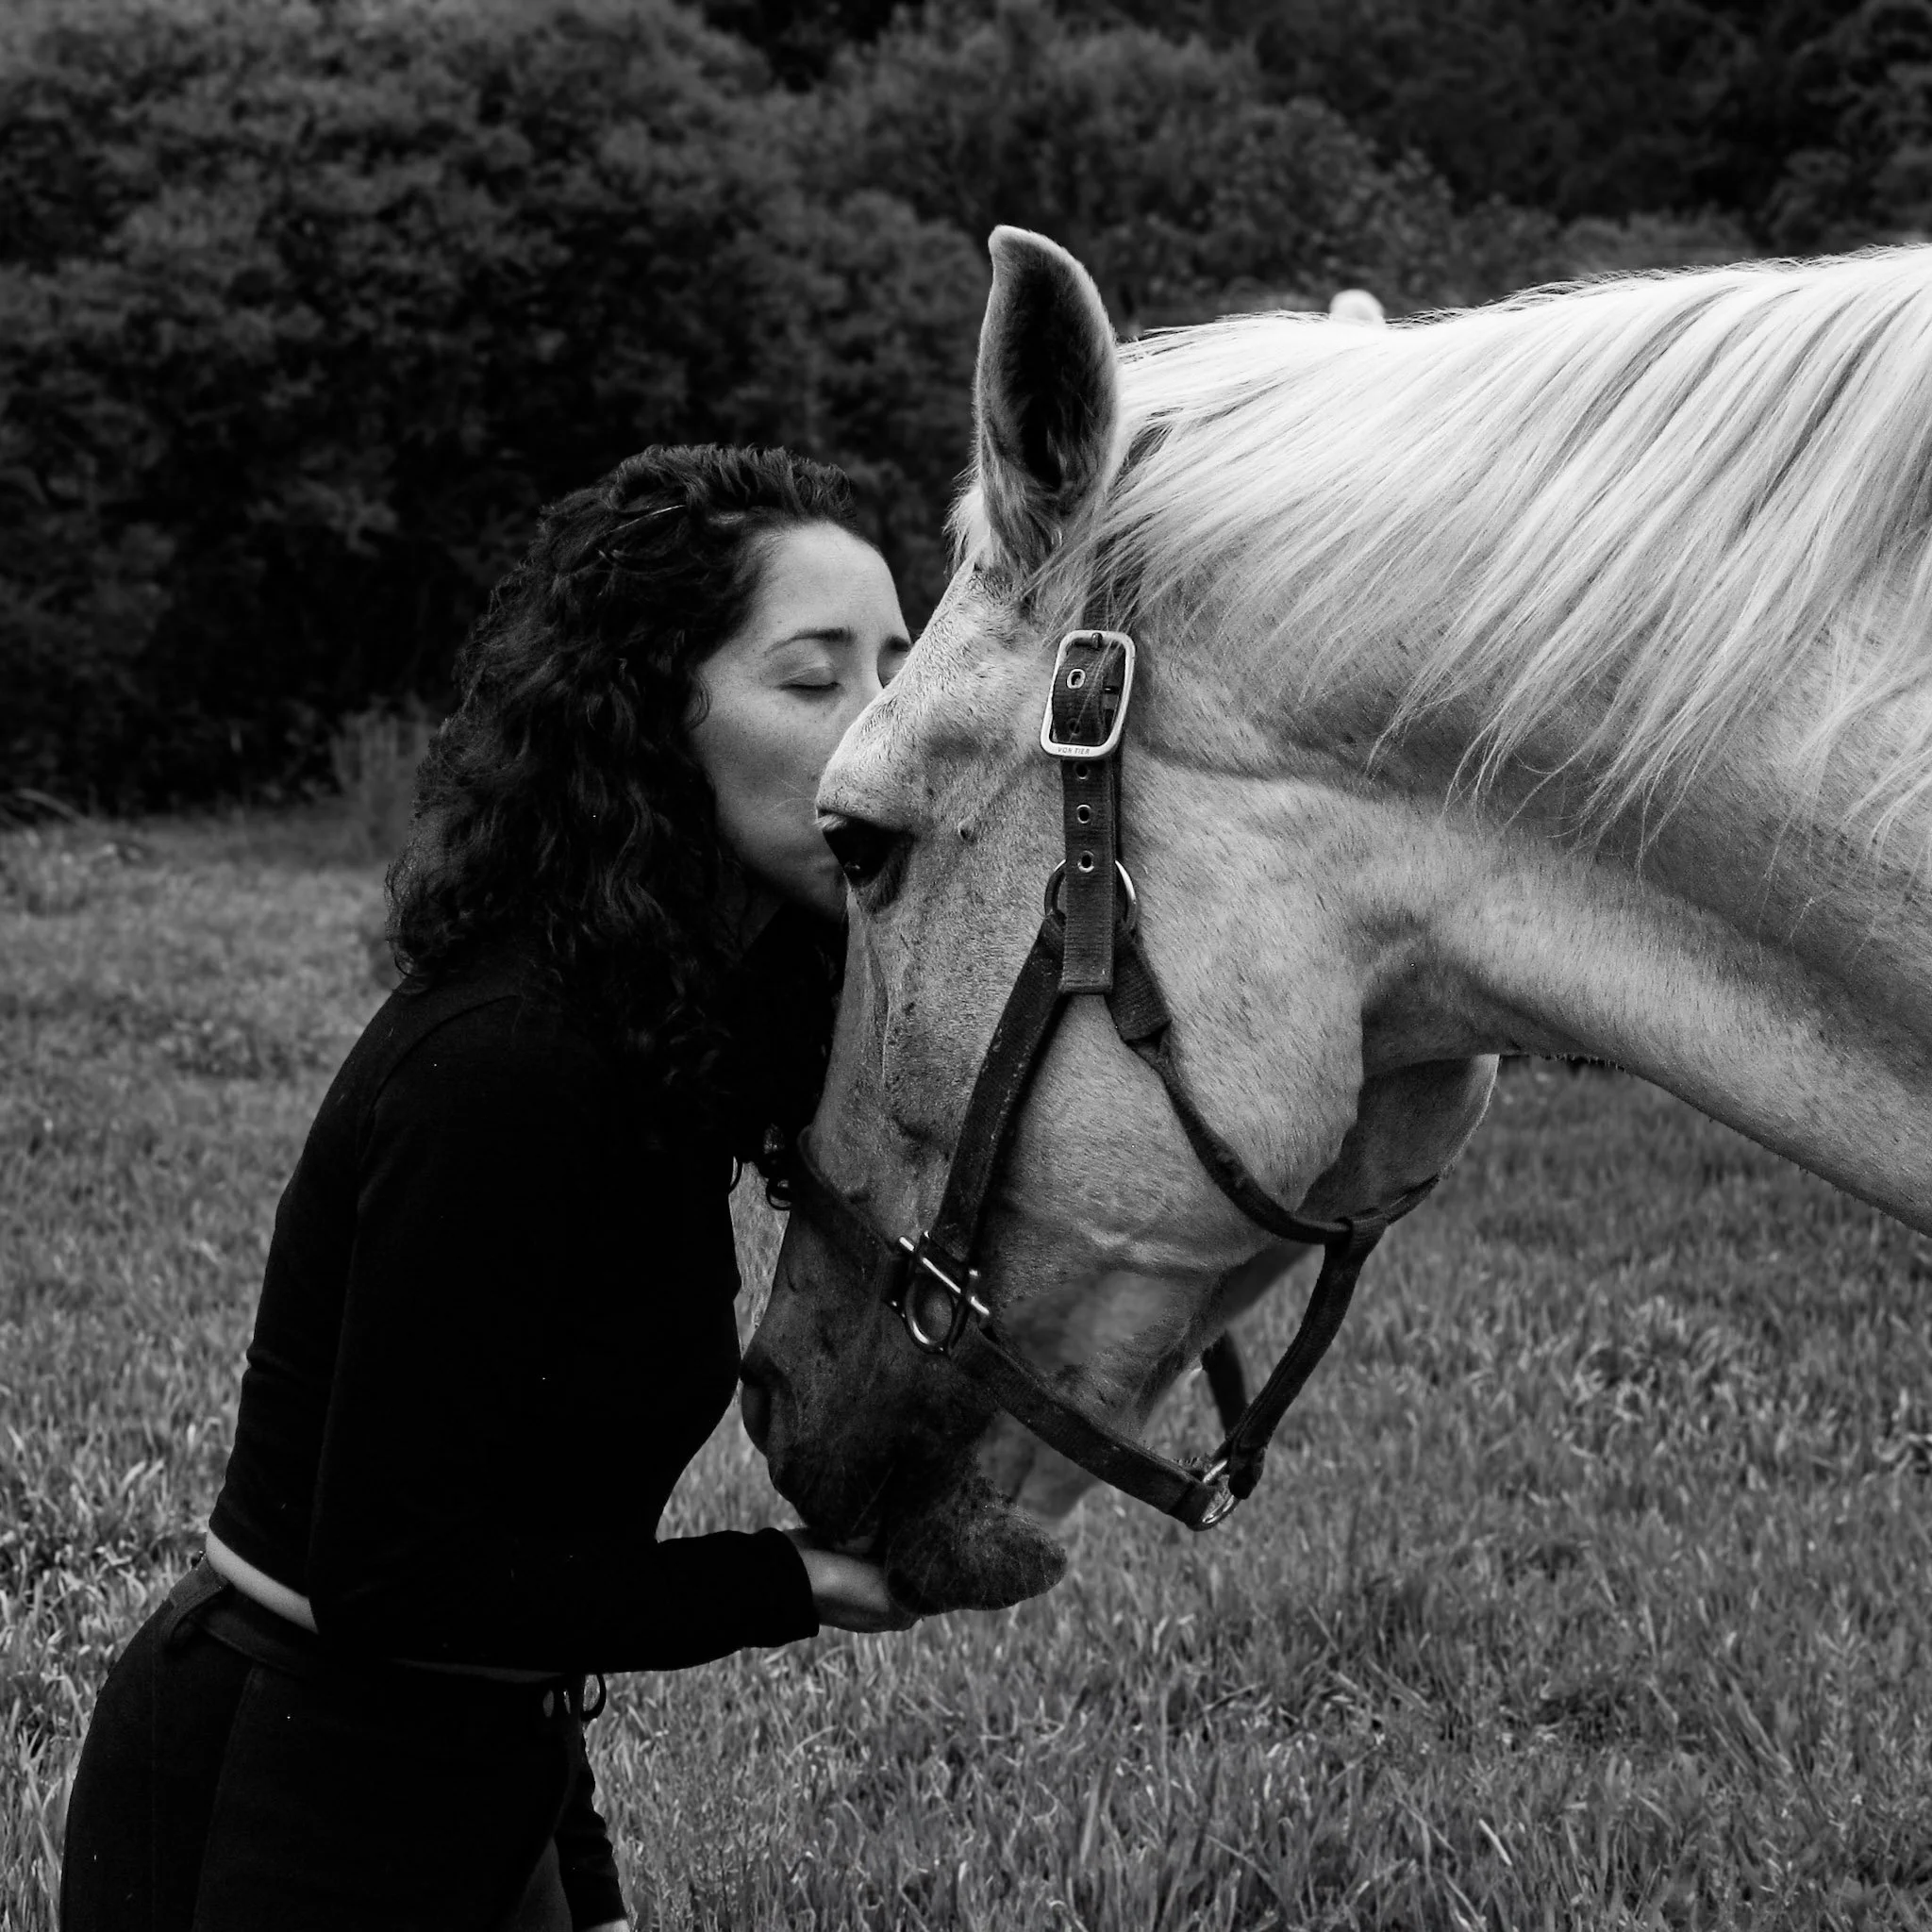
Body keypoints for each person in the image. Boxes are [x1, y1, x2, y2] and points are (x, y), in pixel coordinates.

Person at [60, 444, 914, 1932]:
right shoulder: (511, 1059)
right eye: (813, 677)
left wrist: (581, 1885)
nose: (884, 726)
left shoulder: (661, 1039)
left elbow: (539, 1539)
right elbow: (393, 1578)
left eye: (900, 668)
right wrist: (792, 1585)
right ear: (650, 716)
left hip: (475, 1775)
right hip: (283, 1800)